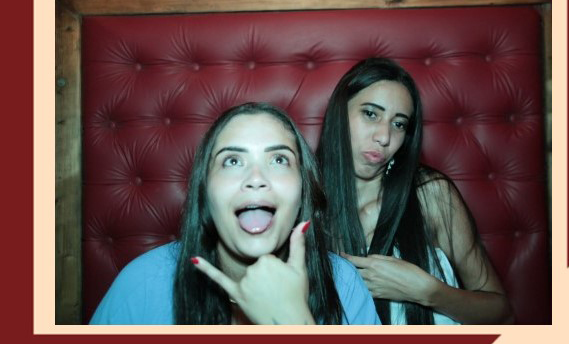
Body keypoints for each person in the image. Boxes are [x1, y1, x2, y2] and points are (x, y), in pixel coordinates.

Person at [90, 103, 380, 326]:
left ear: (304, 188)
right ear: (205, 191)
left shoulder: (344, 285)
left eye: (279, 159)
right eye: (232, 161)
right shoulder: (142, 284)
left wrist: (295, 324)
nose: (256, 178)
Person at [317, 59, 514, 325]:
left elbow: (502, 312)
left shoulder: (430, 195)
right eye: (371, 114)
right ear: (339, 113)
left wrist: (430, 292)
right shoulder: (302, 200)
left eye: (399, 124)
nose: (384, 136)